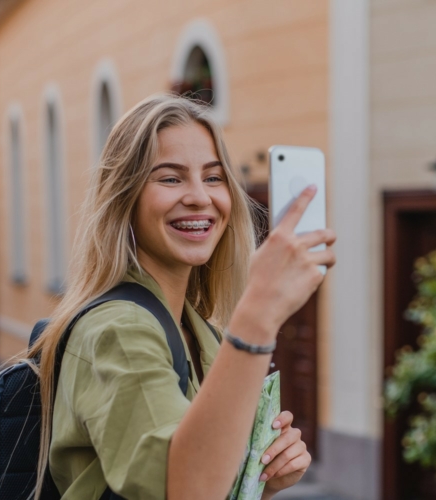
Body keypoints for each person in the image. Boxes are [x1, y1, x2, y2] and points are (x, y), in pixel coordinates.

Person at [28, 94, 337, 499]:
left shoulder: (197, 329)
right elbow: (182, 489)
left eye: (213, 177)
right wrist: (258, 315)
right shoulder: (118, 330)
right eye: (171, 178)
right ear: (126, 197)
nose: (199, 196)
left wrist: (259, 481)